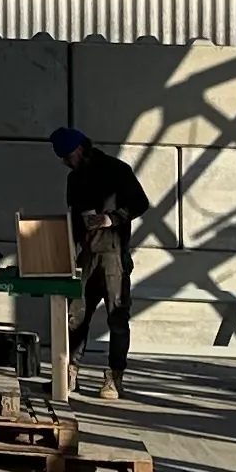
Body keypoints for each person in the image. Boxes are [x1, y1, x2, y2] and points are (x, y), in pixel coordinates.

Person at [51, 127, 151, 403]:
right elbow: (73, 218)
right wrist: (67, 254)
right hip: (85, 255)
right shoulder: (74, 179)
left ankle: (114, 377)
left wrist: (112, 218)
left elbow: (140, 203)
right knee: (76, 316)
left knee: (117, 316)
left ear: (80, 149)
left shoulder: (117, 170)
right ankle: (70, 371)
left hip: (113, 254)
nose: (65, 162)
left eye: (67, 156)